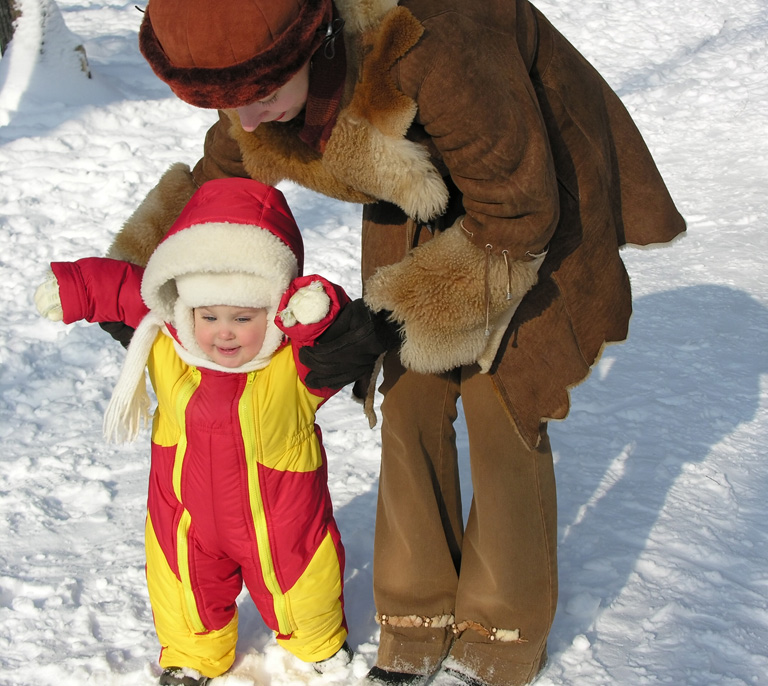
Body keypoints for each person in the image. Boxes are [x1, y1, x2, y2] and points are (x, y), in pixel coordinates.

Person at [99, 1, 687, 685]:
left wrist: (396, 317)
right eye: (229, 103)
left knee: (503, 403)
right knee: (408, 397)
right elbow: (217, 184)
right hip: (417, 184)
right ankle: (415, 615)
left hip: (531, 187)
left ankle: (502, 632)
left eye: (259, 97)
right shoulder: (264, 77)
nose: (247, 118)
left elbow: (519, 208)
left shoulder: (435, 42)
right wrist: (142, 281)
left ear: (313, 43)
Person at [35, 178, 356, 686]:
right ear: (185, 311)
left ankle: (319, 645)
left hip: (278, 518)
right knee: (182, 582)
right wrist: (77, 288)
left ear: (276, 313)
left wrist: (319, 312)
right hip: (184, 515)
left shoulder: (294, 364)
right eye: (208, 316)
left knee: (301, 581)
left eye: (243, 317)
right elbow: (124, 292)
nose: (223, 331)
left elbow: (348, 340)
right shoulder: (168, 348)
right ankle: (191, 653)